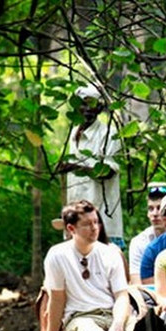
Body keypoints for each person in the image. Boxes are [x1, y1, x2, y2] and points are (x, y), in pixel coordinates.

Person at [27, 200, 132, 331]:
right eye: (87, 224)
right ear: (71, 228)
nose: (94, 228)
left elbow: (121, 295)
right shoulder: (57, 255)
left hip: (112, 314)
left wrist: (118, 324)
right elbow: (57, 299)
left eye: (96, 222)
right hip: (80, 318)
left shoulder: (111, 253)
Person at [60, 84, 125, 248]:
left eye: (93, 104)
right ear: (76, 107)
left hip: (103, 219)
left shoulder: (109, 133)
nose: (88, 109)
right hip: (76, 220)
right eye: (84, 103)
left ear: (100, 108)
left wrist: (75, 167)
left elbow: (108, 172)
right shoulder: (74, 133)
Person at [127, 183, 166, 285]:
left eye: (159, 208)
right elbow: (137, 283)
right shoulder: (139, 242)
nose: (155, 214)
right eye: (151, 209)